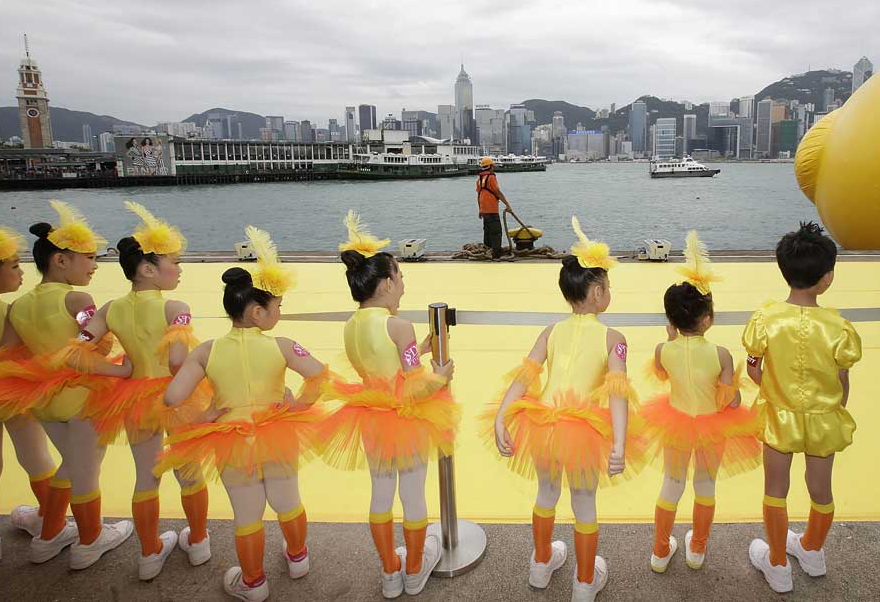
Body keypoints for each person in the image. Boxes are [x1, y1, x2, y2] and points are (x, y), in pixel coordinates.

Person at [155, 227, 328, 602]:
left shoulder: (206, 351)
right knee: (288, 500)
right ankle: (298, 558)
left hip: (232, 439)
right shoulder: (281, 346)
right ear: (256, 311)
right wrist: (297, 405)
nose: (279, 312)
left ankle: (254, 583)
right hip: (277, 431)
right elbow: (319, 374)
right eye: (277, 306)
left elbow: (172, 397)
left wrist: (208, 415)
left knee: (247, 514)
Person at [488, 217, 644, 602]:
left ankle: (541, 565)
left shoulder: (550, 330)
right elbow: (618, 393)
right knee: (584, 502)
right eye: (608, 286)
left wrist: (501, 414)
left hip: (543, 424)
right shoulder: (614, 339)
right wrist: (619, 444)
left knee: (546, 492)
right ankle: (584, 582)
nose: (610, 292)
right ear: (596, 292)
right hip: (584, 432)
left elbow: (525, 376)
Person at [0, 200, 134, 569]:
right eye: (89, 258)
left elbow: (7, 353)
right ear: (60, 260)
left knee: (69, 466)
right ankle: (88, 539)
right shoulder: (77, 298)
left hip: (44, 400)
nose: (95, 266)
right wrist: (114, 358)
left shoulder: (17, 306)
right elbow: (93, 339)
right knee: (82, 472)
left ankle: (49, 535)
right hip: (85, 395)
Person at [312, 210, 459, 598]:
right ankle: (414, 568)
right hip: (405, 419)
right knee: (412, 494)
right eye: (400, 275)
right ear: (387, 283)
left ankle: (389, 572)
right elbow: (414, 383)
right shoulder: (399, 325)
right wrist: (442, 375)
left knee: (380, 492)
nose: (403, 282)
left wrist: (417, 350)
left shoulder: (351, 325)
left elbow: (388, 363)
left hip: (370, 417)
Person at [74, 202, 212, 579]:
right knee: (189, 470)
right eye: (175, 262)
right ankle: (198, 541)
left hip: (133, 396)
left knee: (145, 475)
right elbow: (178, 362)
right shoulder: (175, 307)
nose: (180, 269)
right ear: (149, 269)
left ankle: (149, 553)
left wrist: (119, 371)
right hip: (176, 397)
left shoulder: (109, 308)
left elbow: (75, 353)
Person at [743, 222, 862, 593]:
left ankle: (777, 562)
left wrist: (773, 391)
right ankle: (811, 549)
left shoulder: (765, 319)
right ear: (827, 278)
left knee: (775, 489)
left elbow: (752, 365)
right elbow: (842, 379)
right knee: (821, 489)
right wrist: (834, 405)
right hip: (824, 418)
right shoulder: (839, 327)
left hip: (779, 417)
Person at [642, 231, 761, 575]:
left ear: (672, 321)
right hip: (712, 426)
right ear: (707, 318)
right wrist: (735, 393)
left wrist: (670, 340)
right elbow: (731, 399)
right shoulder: (721, 354)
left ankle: (660, 550)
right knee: (705, 485)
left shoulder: (663, 350)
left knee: (671, 484)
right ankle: (697, 548)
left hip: (676, 420)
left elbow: (664, 374)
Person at [0, 219, 57, 569]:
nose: (21, 272)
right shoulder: (10, 312)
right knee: (37, 457)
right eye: (13, 266)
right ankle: (51, 523)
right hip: (16, 394)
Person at [476, 156, 514, 259]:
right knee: (496, 232)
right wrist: (507, 205)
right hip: (492, 210)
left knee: (487, 232)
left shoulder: (480, 178)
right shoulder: (491, 177)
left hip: (484, 210)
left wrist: (480, 209)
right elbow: (497, 192)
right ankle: (496, 254)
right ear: (491, 166)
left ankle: (488, 250)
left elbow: (479, 195)